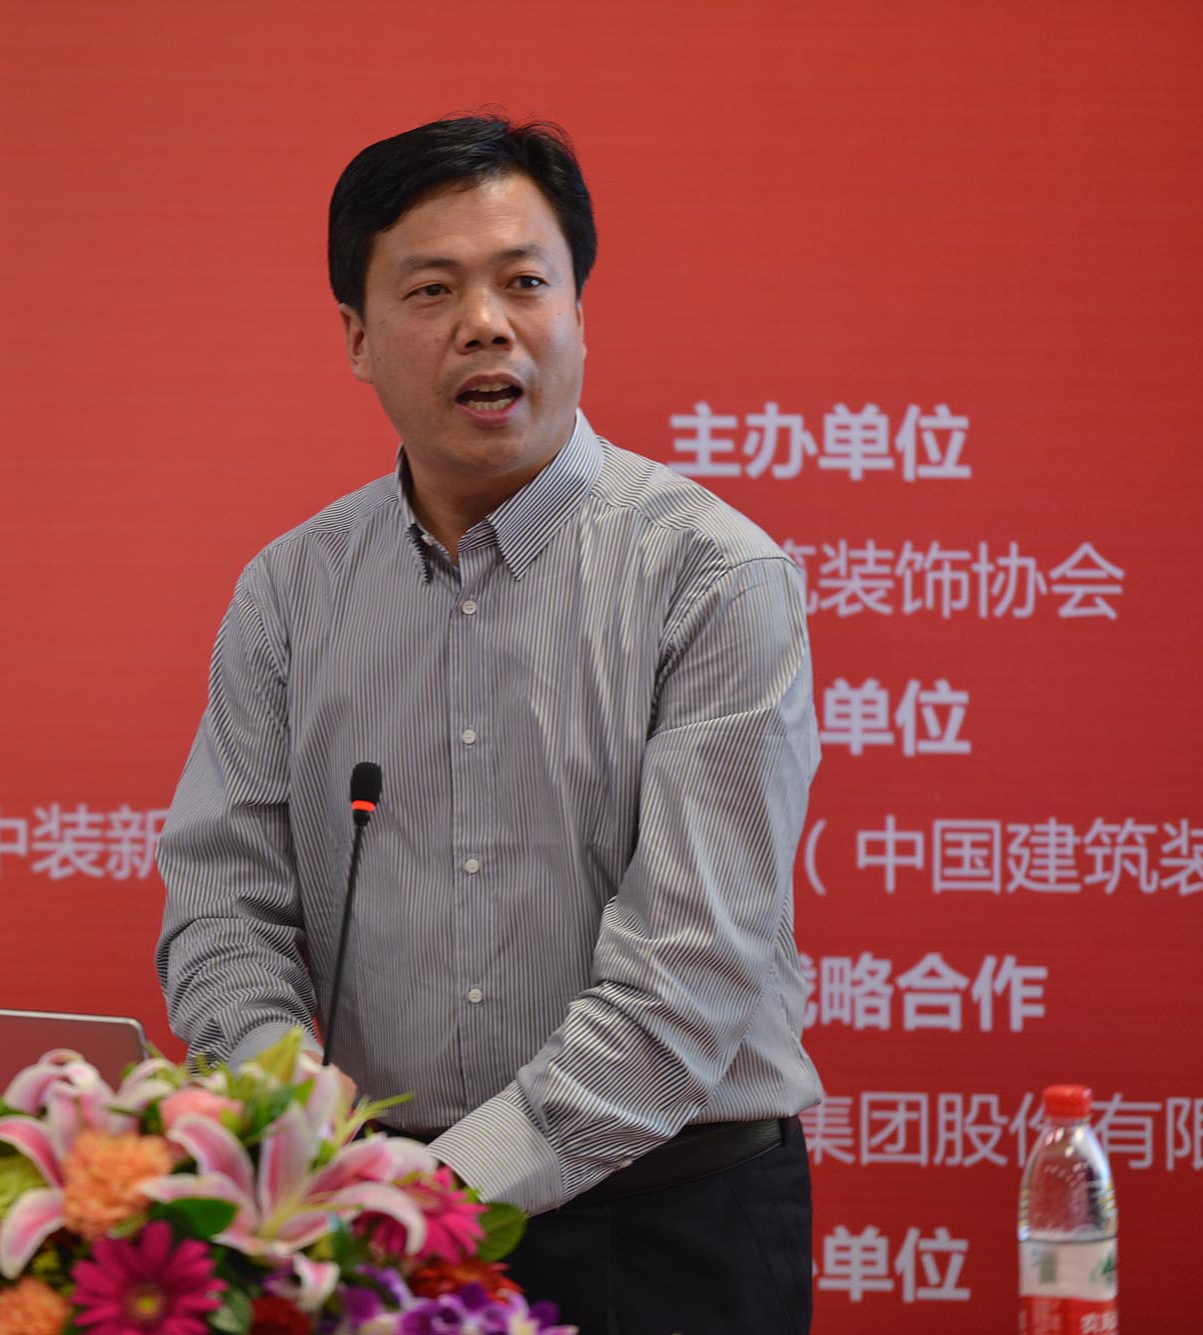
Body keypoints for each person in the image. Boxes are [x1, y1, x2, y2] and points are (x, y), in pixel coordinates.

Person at [154, 116, 823, 1335]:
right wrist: (283, 1117)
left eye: (523, 283)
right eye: (431, 290)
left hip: (662, 1227)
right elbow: (222, 904)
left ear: (577, 313)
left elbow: (691, 967)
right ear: (356, 338)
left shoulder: (710, 578)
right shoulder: (291, 593)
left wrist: (437, 1193)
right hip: (363, 1216)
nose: (485, 324)